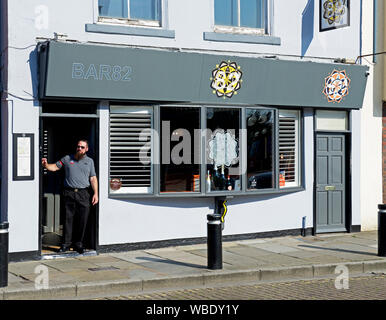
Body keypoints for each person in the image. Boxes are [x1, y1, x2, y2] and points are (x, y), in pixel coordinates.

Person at [41, 139, 98, 254]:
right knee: (68, 219)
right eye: (78, 146)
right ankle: (66, 244)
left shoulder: (90, 161)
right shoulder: (67, 159)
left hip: (84, 194)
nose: (79, 149)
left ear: (86, 149)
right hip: (69, 193)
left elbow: (93, 178)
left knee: (82, 220)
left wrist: (96, 193)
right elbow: (55, 167)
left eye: (82, 147)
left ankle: (78, 244)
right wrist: (45, 165)